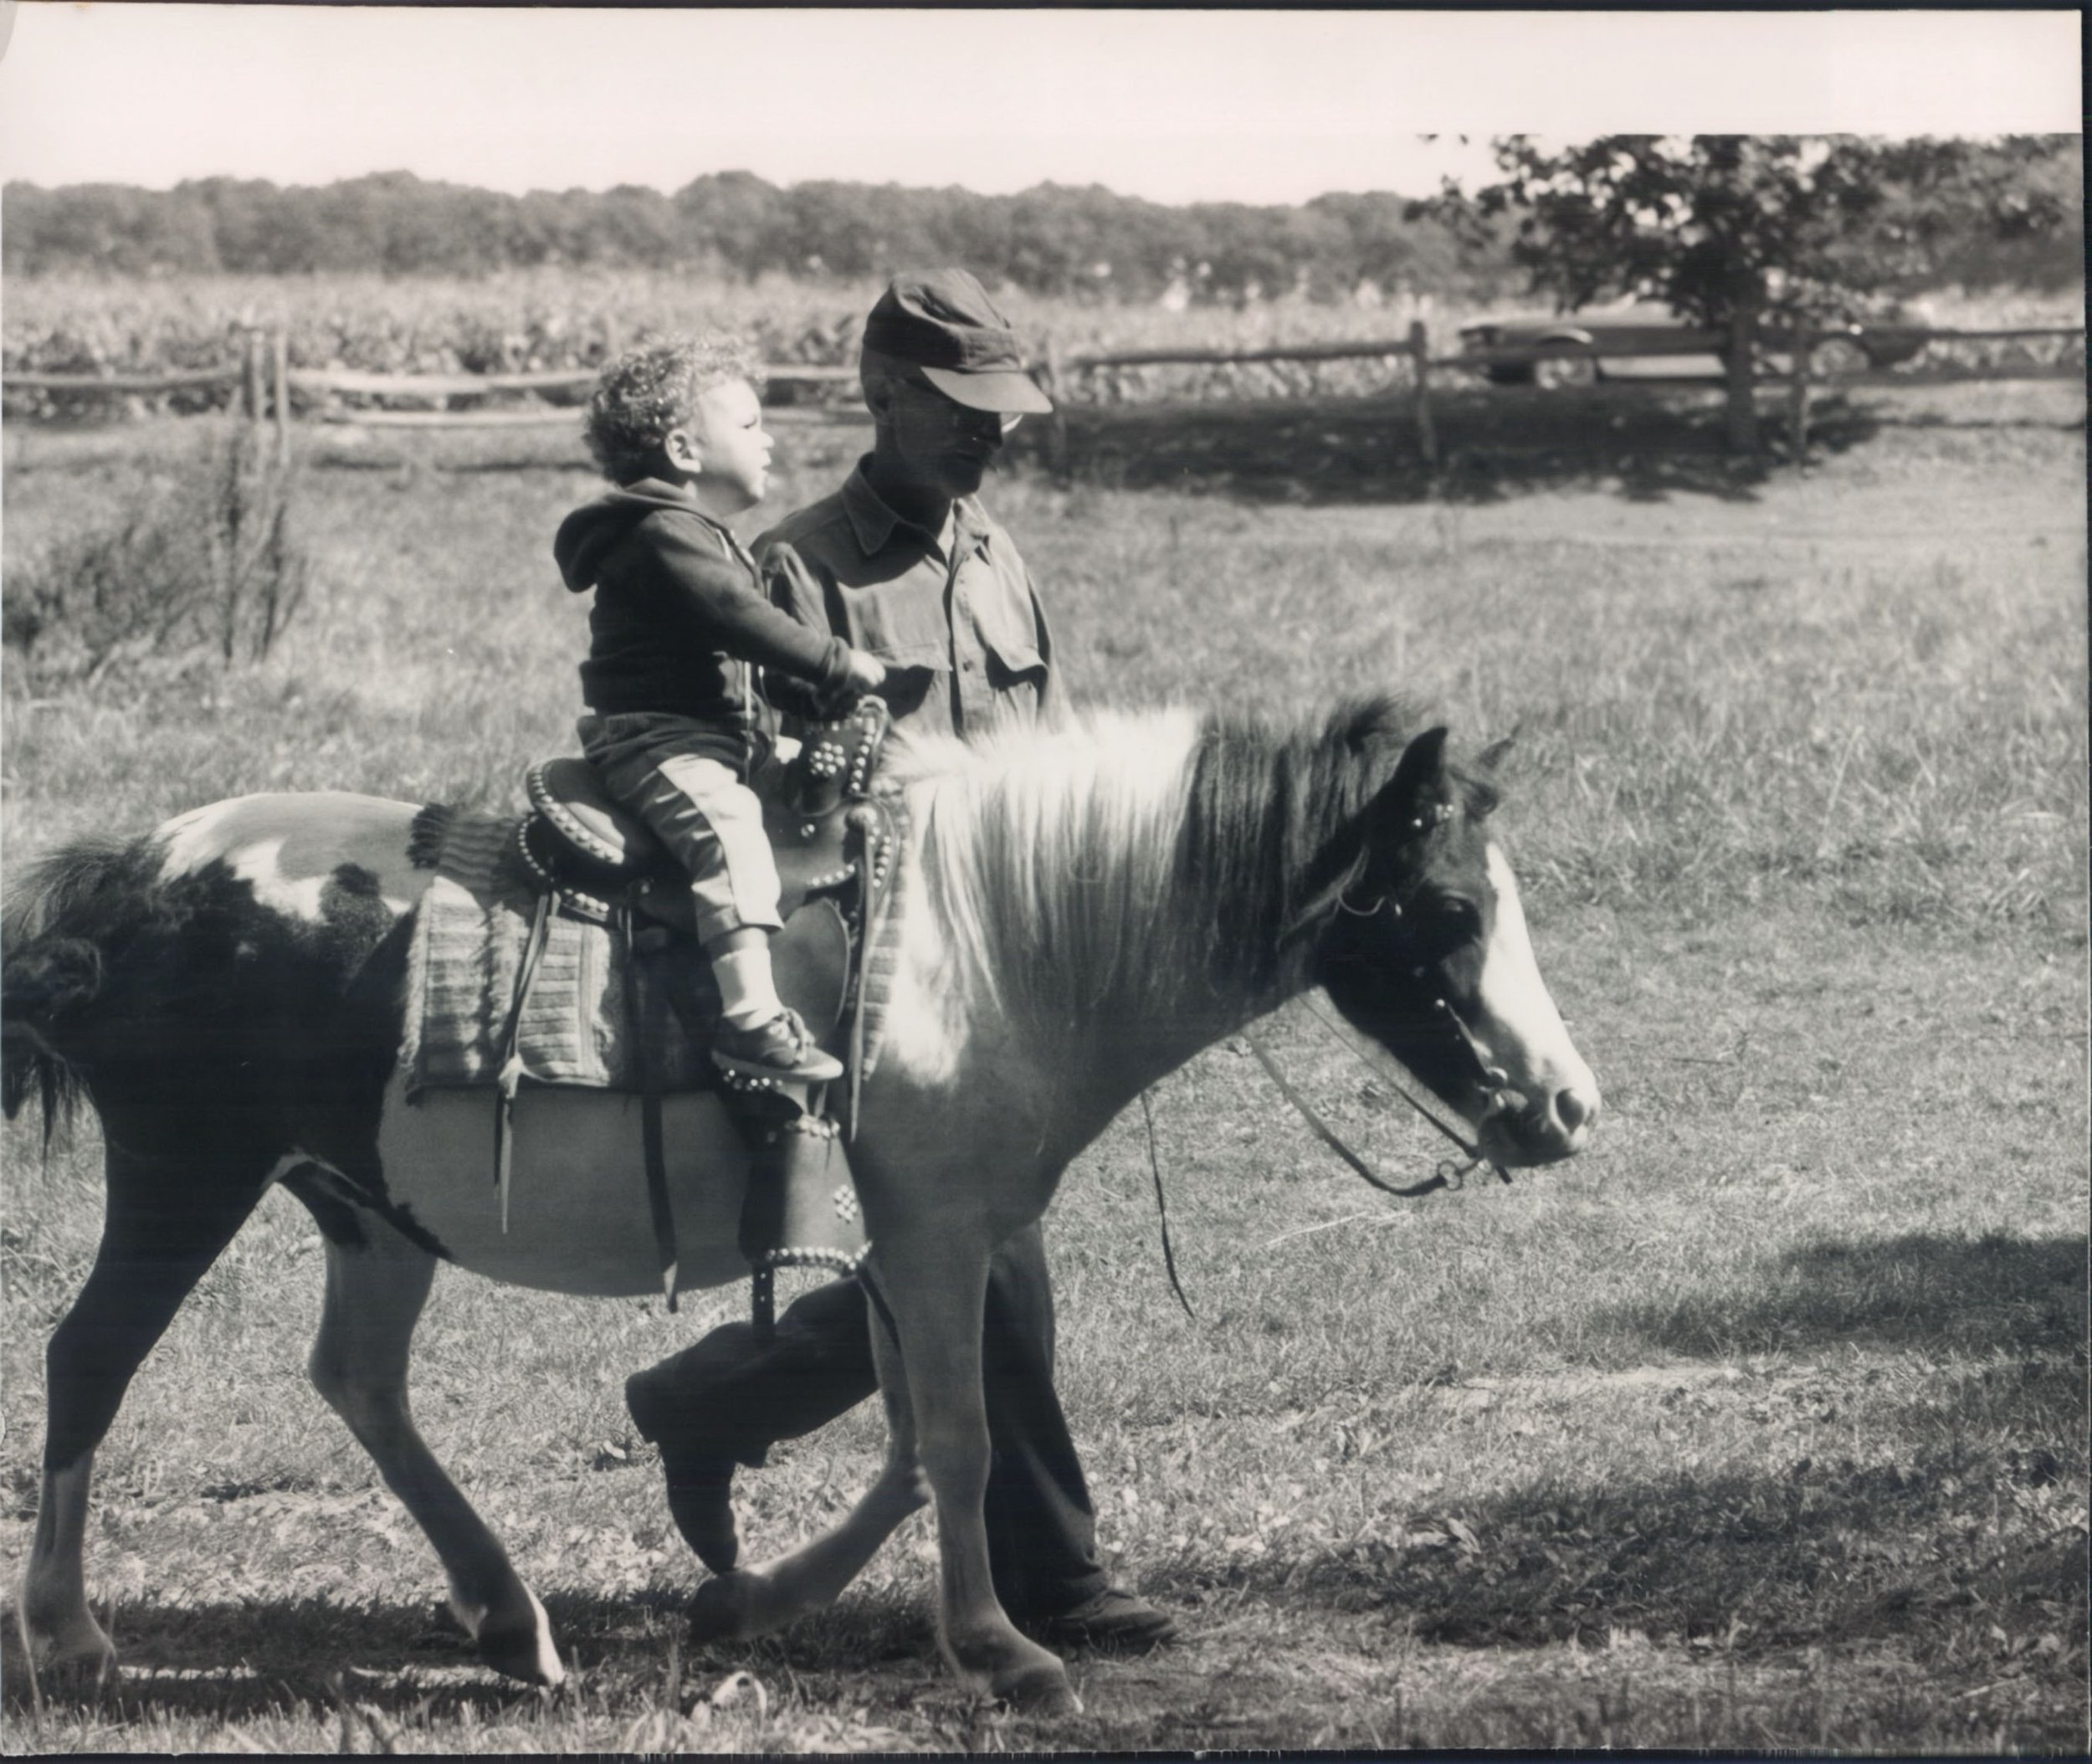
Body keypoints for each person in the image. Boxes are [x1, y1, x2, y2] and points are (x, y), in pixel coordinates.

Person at [624, 270, 1177, 1654]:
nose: (991, 433)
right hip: (867, 969)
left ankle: (713, 1394)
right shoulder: (798, 567)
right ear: (882, 394)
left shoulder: (996, 556)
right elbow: (759, 788)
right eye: (962, 407)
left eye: (1006, 409)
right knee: (990, 1260)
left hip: (1002, 964)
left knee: (968, 1248)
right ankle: (1051, 1577)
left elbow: (1044, 762)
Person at [556, 332, 886, 1083]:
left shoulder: (703, 536)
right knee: (730, 830)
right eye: (749, 425)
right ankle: (750, 1020)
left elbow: (742, 662)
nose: (768, 438)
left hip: (717, 736)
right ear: (683, 448)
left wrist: (813, 694)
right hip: (660, 743)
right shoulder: (664, 535)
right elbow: (741, 621)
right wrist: (836, 660)